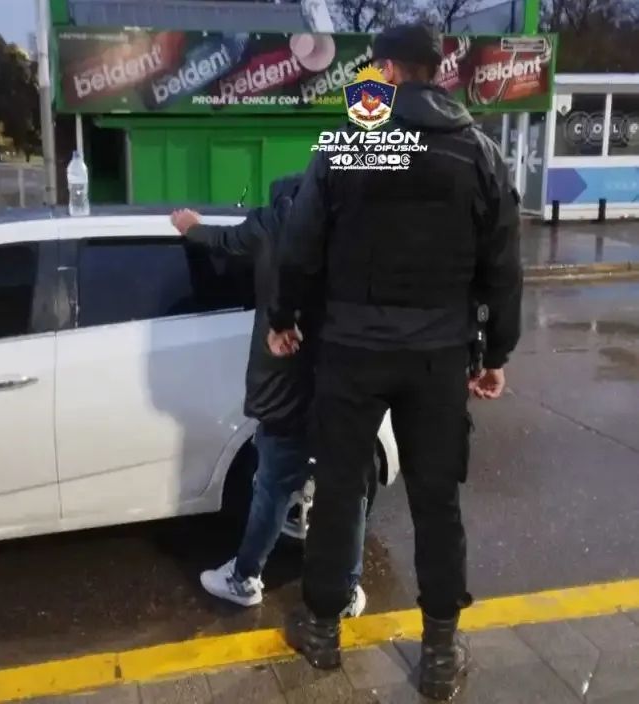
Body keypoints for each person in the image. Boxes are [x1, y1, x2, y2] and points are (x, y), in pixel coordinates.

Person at [267, 23, 522, 701]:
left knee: (340, 491)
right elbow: (503, 267)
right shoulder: (480, 154)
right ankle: (438, 655)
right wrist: (495, 353)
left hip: (350, 353)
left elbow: (299, 247)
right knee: (437, 503)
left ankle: (322, 632)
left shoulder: (348, 149)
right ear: (437, 71)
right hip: (438, 358)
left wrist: (283, 319)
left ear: (385, 69)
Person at [170, 176, 367, 617]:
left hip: (285, 387)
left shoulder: (274, 223)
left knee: (273, 486)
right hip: (345, 385)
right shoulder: (358, 230)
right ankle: (347, 589)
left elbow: (222, 240)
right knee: (347, 489)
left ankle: (244, 578)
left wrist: (189, 226)